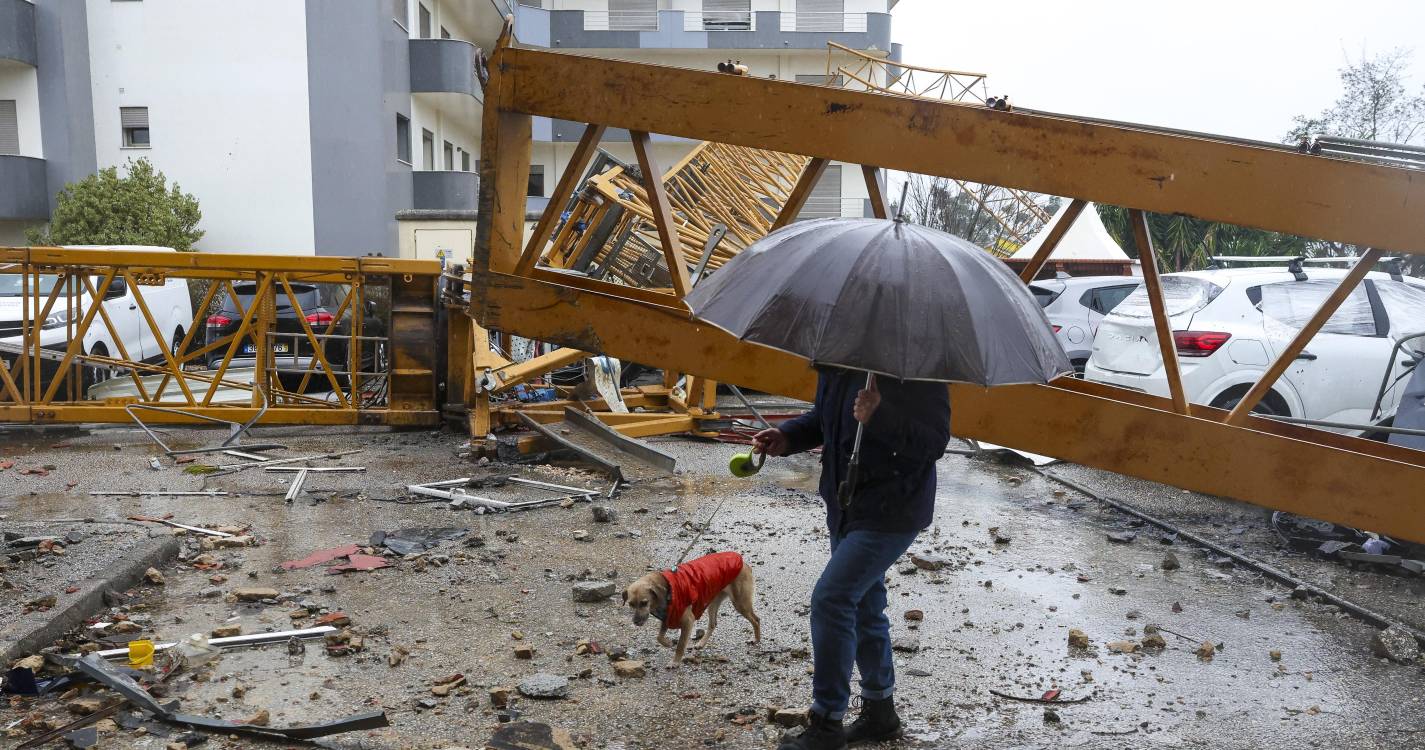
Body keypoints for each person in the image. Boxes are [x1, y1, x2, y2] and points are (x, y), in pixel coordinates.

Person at [755, 368, 950, 750]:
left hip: (893, 507)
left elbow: (934, 442)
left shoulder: (917, 367)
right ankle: (880, 711)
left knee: (833, 598)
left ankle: (827, 721)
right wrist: (788, 435)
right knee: (863, 604)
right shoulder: (837, 359)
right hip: (846, 503)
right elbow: (825, 418)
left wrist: (880, 414)